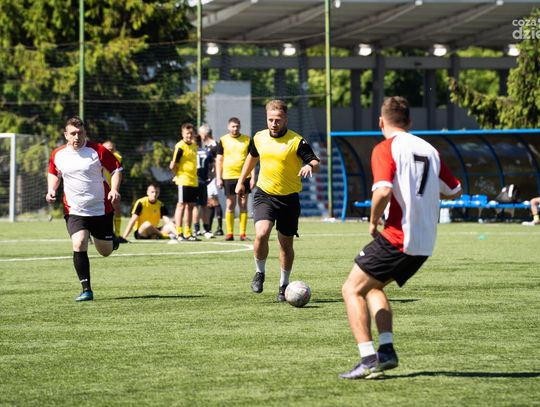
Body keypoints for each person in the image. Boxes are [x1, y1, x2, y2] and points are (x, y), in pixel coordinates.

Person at [339, 96, 462, 380]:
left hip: (398, 236)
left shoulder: (386, 148)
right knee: (373, 287)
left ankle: (367, 359)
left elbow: (382, 191)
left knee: (350, 289)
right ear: (410, 122)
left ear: (381, 122)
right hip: (424, 242)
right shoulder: (429, 149)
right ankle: (386, 351)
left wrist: (373, 221)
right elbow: (455, 190)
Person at [236, 99, 320, 302]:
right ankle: (260, 272)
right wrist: (241, 181)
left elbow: (314, 160)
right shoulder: (259, 137)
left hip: (289, 199)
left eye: (278, 120)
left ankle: (283, 286)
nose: (273, 123)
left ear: (285, 120)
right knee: (261, 233)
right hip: (265, 195)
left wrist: (309, 166)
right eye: (270, 119)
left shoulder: (296, 141)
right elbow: (252, 158)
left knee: (285, 245)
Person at [46, 116, 123, 302]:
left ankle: (112, 239)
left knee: (105, 252)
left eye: (80, 133)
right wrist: (51, 189)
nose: (77, 137)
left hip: (101, 209)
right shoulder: (58, 154)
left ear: (85, 133)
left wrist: (114, 189)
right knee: (79, 243)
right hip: (74, 210)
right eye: (73, 133)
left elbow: (116, 169)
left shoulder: (98, 150)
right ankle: (86, 289)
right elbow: (53, 173)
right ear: (66, 135)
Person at [216, 117, 255, 241]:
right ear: (228, 127)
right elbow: (219, 160)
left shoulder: (247, 140)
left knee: (243, 204)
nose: (235, 128)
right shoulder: (223, 140)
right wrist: (218, 178)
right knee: (230, 204)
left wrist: (253, 177)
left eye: (237, 126)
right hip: (228, 176)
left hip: (245, 177)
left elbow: (252, 160)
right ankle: (230, 233)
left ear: (240, 126)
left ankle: (242, 234)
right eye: (233, 126)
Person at [169, 122, 200, 241]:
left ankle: (188, 232)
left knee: (191, 206)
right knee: (181, 205)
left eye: (191, 133)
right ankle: (179, 232)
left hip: (193, 180)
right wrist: (178, 175)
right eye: (187, 133)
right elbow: (173, 165)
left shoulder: (194, 146)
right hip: (183, 180)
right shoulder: (180, 146)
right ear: (182, 134)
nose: (189, 135)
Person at [200, 124, 224, 236]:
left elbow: (219, 161)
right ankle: (208, 228)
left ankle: (219, 228)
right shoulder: (206, 146)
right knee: (209, 202)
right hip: (207, 178)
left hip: (213, 177)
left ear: (205, 134)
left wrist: (217, 177)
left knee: (214, 201)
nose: (200, 136)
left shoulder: (215, 145)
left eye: (201, 133)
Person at [102, 140, 128, 243]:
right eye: (106, 149)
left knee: (116, 208)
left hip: (112, 188)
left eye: (111, 150)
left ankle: (117, 235)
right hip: (99, 188)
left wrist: (115, 189)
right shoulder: (96, 158)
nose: (109, 151)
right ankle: (90, 234)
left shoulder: (118, 158)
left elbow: (118, 174)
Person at [193, 132, 213, 238]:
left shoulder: (190, 152)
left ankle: (196, 230)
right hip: (203, 182)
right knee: (204, 206)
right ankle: (206, 229)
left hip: (192, 182)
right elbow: (212, 166)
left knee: (195, 206)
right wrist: (211, 177)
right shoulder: (206, 152)